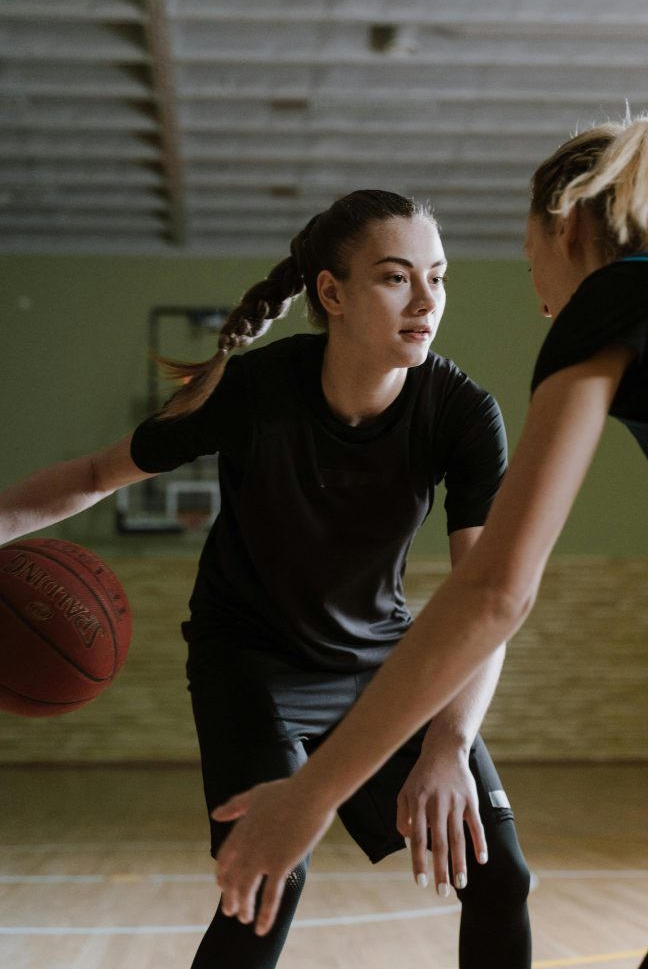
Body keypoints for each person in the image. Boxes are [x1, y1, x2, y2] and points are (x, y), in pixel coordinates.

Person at [0, 190, 533, 967]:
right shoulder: (249, 393)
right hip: (251, 665)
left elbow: (482, 598)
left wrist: (448, 743)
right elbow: (90, 475)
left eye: (439, 277)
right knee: (265, 888)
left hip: (382, 660)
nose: (426, 300)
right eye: (395, 277)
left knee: (499, 876)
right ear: (331, 293)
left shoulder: (460, 414)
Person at [204, 116, 648, 966]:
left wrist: (318, 793)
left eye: (523, 249)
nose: (534, 284)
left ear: (564, 227)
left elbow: (495, 590)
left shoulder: (615, 301)